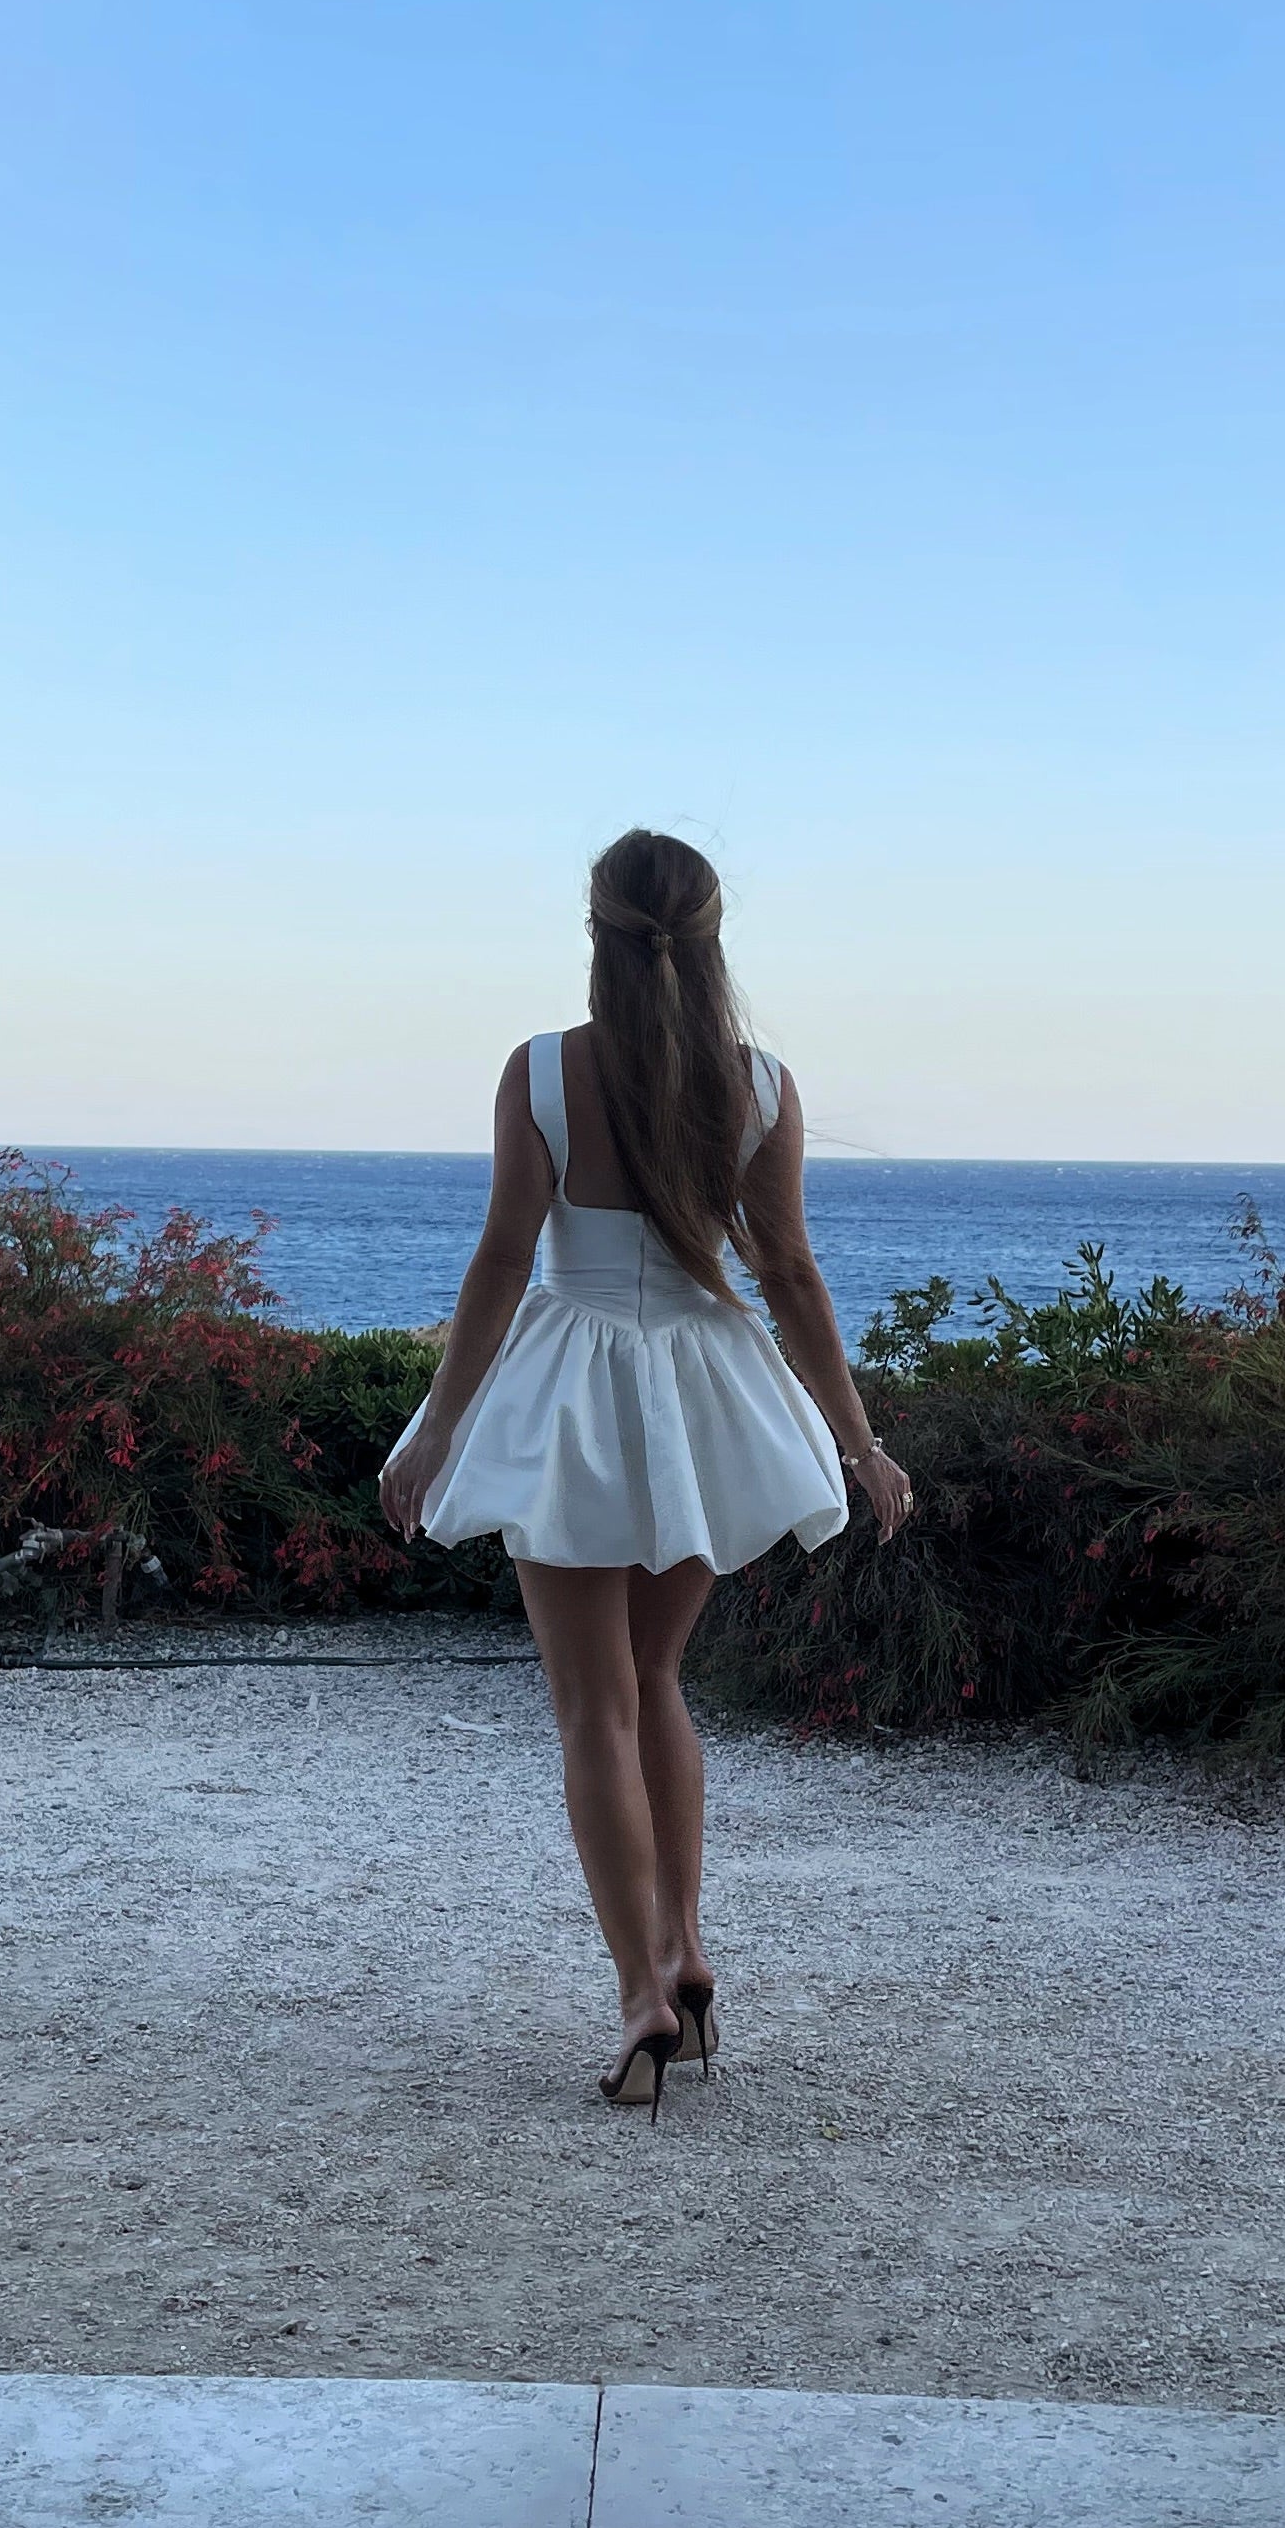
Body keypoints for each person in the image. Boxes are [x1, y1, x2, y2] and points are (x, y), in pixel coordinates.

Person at [378, 829, 914, 2116]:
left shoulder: (544, 1073)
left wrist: (436, 1428)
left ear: (596, 930)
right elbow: (788, 1273)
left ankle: (641, 1998)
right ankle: (684, 1946)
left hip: (571, 1391)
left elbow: (506, 1260)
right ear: (712, 937)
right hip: (698, 1393)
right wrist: (859, 1435)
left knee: (593, 1708)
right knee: (658, 1676)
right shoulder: (761, 1085)